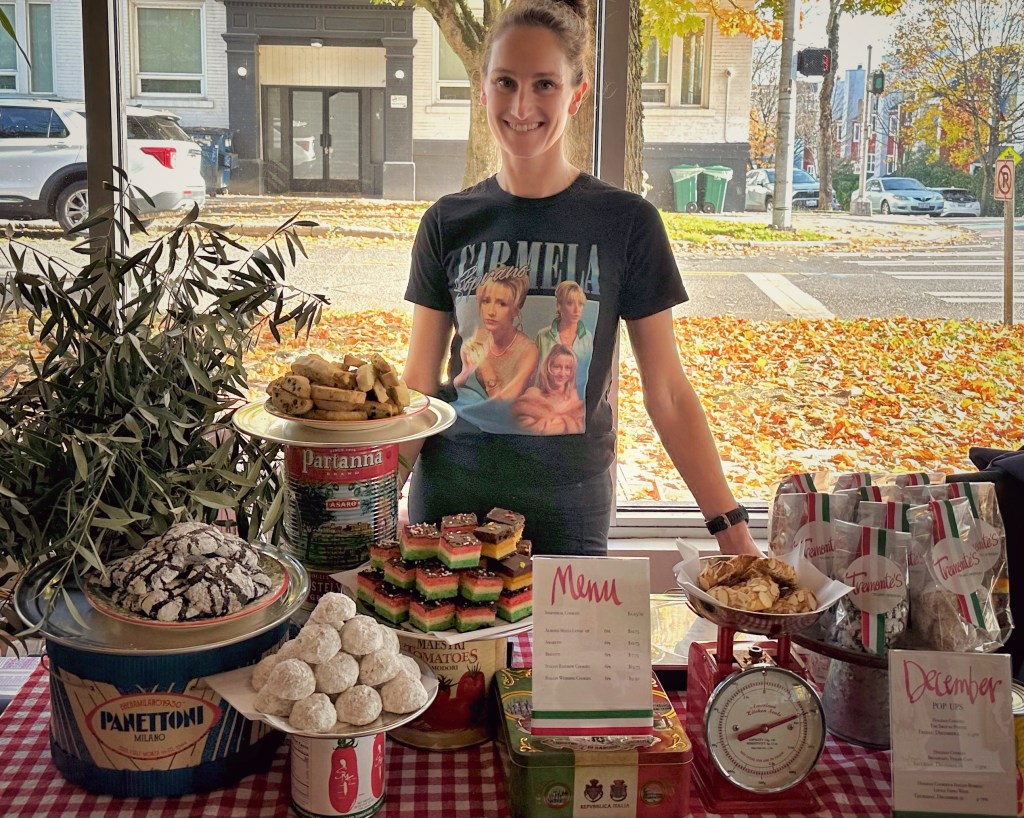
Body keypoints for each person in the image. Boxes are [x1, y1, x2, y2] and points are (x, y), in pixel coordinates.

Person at [399, 0, 757, 556]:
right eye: (505, 82)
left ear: (576, 94)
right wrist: (368, 507)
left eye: (544, 84)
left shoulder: (627, 223)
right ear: (483, 89)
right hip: (451, 504)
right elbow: (420, 385)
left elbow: (667, 393)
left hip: (570, 511)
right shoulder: (447, 221)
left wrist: (733, 534)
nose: (522, 105)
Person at [453, 267, 539, 401]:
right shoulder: (480, 336)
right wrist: (467, 370)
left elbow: (503, 406)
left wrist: (485, 366)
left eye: (502, 304)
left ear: (516, 310)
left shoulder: (528, 351)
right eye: (486, 301)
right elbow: (459, 384)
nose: (491, 311)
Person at [535, 280, 592, 399]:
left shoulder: (587, 338)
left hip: (578, 402)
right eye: (570, 303)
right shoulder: (543, 336)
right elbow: (535, 374)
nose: (577, 310)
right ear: (559, 306)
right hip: (546, 401)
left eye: (580, 304)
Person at [512, 343, 585, 434]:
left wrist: (549, 424)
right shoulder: (532, 396)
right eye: (557, 367)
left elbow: (579, 430)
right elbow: (521, 426)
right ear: (547, 367)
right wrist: (564, 424)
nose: (562, 374)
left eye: (568, 368)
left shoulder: (575, 400)